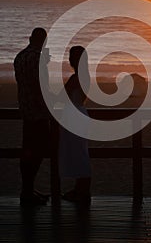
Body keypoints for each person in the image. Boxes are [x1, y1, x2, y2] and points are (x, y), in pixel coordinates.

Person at [14, 27, 51, 206]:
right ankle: (28, 192)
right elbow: (40, 87)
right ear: (44, 41)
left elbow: (22, 84)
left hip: (25, 111)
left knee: (27, 151)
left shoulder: (19, 57)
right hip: (39, 113)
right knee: (39, 151)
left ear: (30, 38)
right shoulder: (39, 58)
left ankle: (27, 189)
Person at [58, 46, 91, 203]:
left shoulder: (75, 78)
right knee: (80, 151)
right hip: (81, 112)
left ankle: (82, 191)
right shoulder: (85, 76)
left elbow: (61, 97)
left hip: (74, 116)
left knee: (78, 153)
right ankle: (80, 189)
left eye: (71, 57)